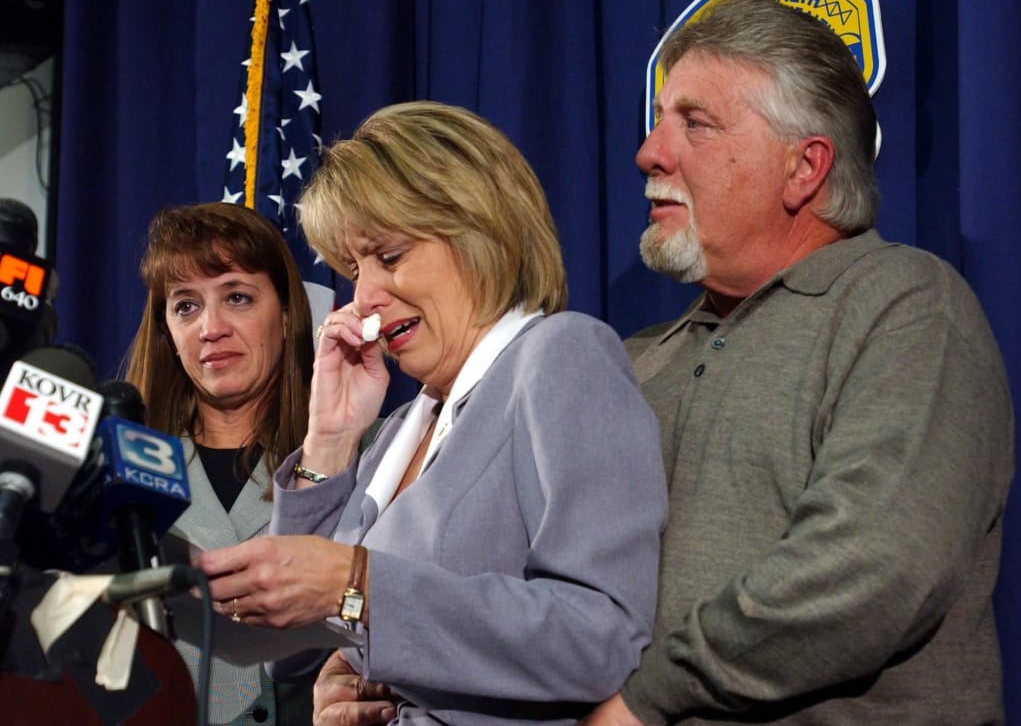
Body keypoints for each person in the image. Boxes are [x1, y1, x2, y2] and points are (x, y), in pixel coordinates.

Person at [583, 0, 1014, 725]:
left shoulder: (904, 307)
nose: (649, 152)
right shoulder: (629, 362)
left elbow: (872, 566)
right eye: (659, 120)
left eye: (694, 122)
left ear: (803, 166)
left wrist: (643, 699)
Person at [193, 101, 669, 724]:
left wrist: (358, 584)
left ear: (481, 232)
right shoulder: (397, 431)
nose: (363, 296)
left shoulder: (561, 356)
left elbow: (599, 637)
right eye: (353, 269)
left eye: (388, 257)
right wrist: (329, 445)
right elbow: (293, 659)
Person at [124, 201, 319, 725]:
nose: (210, 328)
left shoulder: (355, 456)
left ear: (285, 313)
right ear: (166, 328)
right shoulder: (123, 473)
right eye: (185, 306)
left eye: (236, 297)